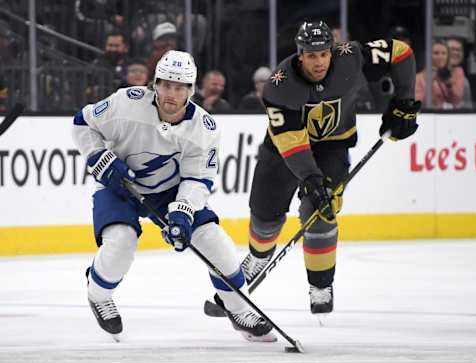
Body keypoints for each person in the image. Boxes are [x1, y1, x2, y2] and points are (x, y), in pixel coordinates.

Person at [72, 50, 276, 342]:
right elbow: (82, 123)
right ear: (155, 84)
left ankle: (237, 308)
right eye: (166, 84)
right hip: (119, 184)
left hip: (169, 190)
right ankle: (98, 293)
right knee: (121, 243)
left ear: (192, 90)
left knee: (215, 241)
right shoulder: (126, 102)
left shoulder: (204, 128)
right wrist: (98, 156)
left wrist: (182, 209)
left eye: (180, 87)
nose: (171, 93)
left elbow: (198, 178)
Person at [239, 21, 420, 316]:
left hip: (333, 146)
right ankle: (259, 255)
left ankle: (321, 284)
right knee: (264, 213)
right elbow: (291, 140)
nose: (319, 61)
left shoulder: (352, 57)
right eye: (311, 55)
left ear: (332, 51)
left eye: (323, 54)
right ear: (300, 55)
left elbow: (401, 53)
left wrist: (405, 103)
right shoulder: (279, 85)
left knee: (320, 210)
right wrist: (311, 178)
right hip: (284, 149)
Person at [416, 39, 465, 109]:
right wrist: (429, 81)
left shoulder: (457, 73)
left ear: (448, 56)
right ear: (428, 55)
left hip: (451, 116)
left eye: (444, 53)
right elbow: (418, 103)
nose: (440, 57)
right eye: (436, 53)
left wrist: (449, 85)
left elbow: (457, 101)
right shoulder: (418, 78)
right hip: (428, 116)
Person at [447, 37, 472, 109]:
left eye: (459, 50)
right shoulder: (428, 77)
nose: (455, 53)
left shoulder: (464, 81)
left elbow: (468, 110)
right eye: (451, 49)